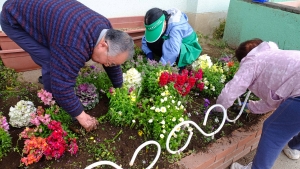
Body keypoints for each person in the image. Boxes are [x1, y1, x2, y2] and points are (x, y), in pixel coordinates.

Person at [1, 0, 134, 132]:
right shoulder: (73, 45)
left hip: (46, 15)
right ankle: (52, 103)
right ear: (103, 45)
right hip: (13, 17)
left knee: (57, 53)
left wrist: (120, 88)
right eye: (109, 62)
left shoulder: (107, 30)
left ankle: (53, 86)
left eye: (111, 64)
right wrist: (81, 116)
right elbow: (62, 87)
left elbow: (113, 64)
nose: (107, 65)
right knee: (50, 61)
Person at [215, 39, 300, 169]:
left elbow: (229, 92)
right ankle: (294, 148)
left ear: (243, 58)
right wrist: (249, 107)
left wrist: (218, 109)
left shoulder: (252, 62)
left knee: (273, 131)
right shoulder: (275, 58)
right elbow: (273, 101)